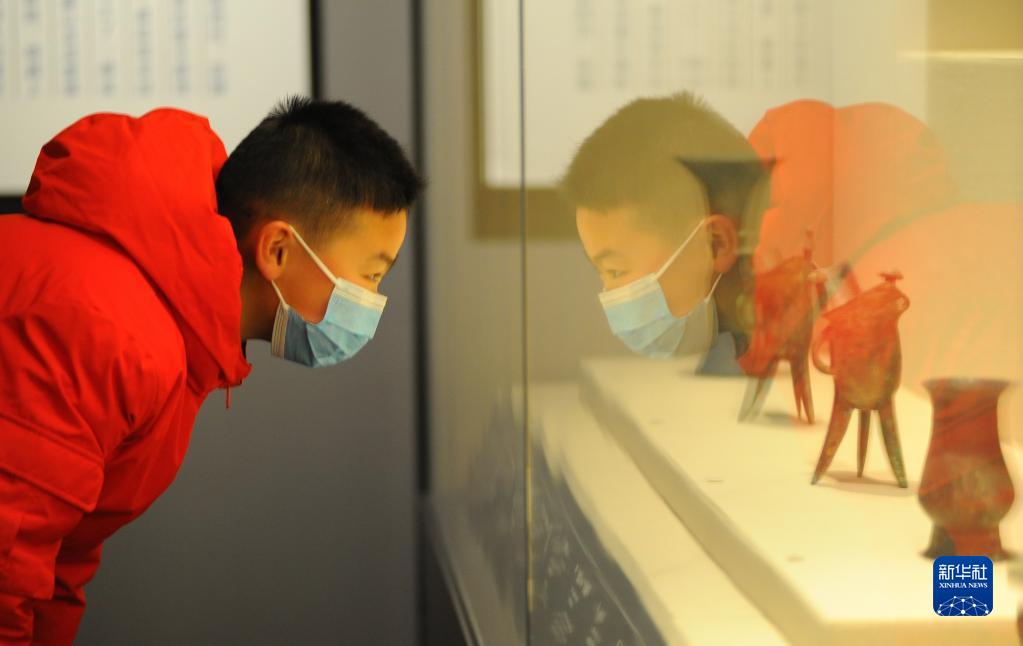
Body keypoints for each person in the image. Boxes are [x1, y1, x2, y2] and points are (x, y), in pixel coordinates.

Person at [0, 96, 422, 644]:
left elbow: (63, 555)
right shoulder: (115, 335)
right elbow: (8, 561)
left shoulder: (173, 327)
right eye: (371, 275)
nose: (372, 301)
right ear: (277, 249)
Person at [560, 92, 770, 369]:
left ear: (715, 243)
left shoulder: (787, 351)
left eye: (616, 271)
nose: (610, 296)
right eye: (602, 274)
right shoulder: (724, 352)